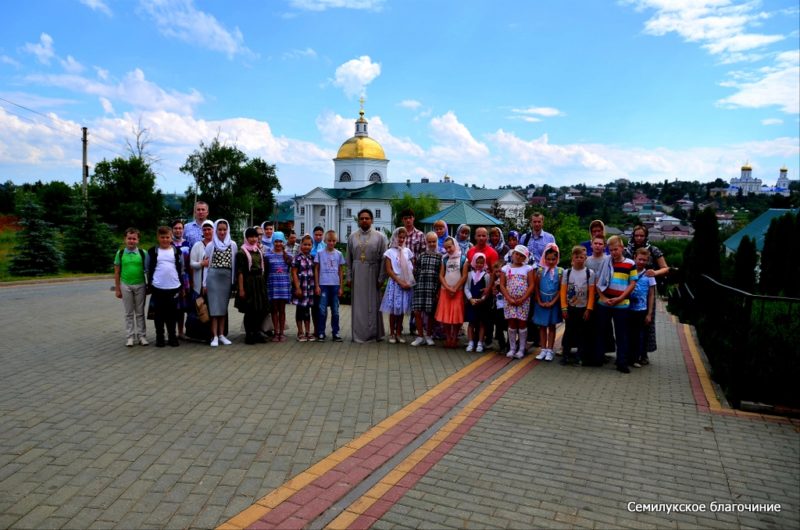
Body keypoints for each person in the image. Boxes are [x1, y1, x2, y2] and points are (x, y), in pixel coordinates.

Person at [595, 235, 638, 373]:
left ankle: (622, 362)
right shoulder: (605, 262)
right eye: (611, 250)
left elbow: (632, 283)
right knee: (601, 331)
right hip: (604, 303)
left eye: (616, 249)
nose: (614, 252)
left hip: (621, 305)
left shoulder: (630, 264)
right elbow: (597, 282)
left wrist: (620, 298)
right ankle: (598, 358)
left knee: (621, 334)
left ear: (622, 248)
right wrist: (602, 297)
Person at [624, 224, 669, 356]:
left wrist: (654, 272)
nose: (639, 238)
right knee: (629, 323)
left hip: (647, 291)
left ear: (646, 236)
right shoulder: (628, 250)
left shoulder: (653, 250)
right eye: (636, 235)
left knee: (646, 322)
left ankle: (643, 353)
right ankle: (629, 352)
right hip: (629, 290)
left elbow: (665, 268)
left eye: (641, 235)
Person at [346, 209, 388, 343]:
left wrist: (381, 277)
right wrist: (348, 276)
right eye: (362, 218)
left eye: (367, 218)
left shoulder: (380, 237)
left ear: (372, 220)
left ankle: (374, 334)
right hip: (357, 271)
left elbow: (384, 259)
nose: (364, 220)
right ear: (358, 221)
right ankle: (359, 334)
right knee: (359, 305)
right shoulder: (352, 236)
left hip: (373, 272)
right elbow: (348, 259)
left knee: (372, 303)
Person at [147, 226, 184, 347]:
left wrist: (181, 284)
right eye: (162, 237)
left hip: (173, 287)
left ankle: (172, 337)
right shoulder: (152, 251)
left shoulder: (176, 251)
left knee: (172, 314)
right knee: (159, 314)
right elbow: (147, 268)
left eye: (167, 237)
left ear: (171, 237)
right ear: (158, 238)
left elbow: (181, 268)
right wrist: (150, 283)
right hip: (158, 287)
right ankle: (160, 337)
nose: (165, 240)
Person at [203, 219, 237, 347]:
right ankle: (214, 336)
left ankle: (222, 334)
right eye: (219, 229)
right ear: (216, 230)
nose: (222, 232)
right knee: (214, 308)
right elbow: (206, 265)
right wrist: (204, 283)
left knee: (223, 308)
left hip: (227, 278)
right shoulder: (211, 245)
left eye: (224, 229)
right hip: (213, 277)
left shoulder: (232, 244)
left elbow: (234, 264)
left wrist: (234, 282)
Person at [560, 246, 596, 365]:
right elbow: (563, 291)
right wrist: (564, 307)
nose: (579, 259)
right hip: (570, 308)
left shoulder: (589, 273)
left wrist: (589, 309)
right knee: (568, 331)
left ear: (585, 258)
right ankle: (565, 354)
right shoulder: (567, 272)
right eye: (577, 257)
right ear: (572, 258)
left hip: (583, 308)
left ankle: (579, 356)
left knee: (582, 333)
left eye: (582, 257)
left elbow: (591, 293)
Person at [114, 227, 148, 347]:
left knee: (140, 312)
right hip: (126, 284)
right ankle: (130, 336)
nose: (131, 241)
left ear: (138, 240)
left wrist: (148, 286)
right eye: (129, 238)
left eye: (134, 238)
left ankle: (142, 336)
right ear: (125, 239)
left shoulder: (143, 253)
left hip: (140, 285)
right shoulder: (120, 253)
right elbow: (117, 272)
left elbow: (148, 271)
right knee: (128, 312)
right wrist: (117, 288)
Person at [500, 245, 535, 359]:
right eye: (517, 254)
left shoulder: (528, 269)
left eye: (522, 255)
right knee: (511, 323)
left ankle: (521, 348)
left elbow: (531, 285)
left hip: (523, 301)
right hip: (509, 301)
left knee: (522, 323)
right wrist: (509, 298)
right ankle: (512, 348)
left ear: (525, 257)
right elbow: (502, 285)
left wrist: (523, 298)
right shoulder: (505, 268)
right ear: (513, 254)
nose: (518, 257)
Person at [381, 227, 415, 344]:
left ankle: (399, 333)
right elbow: (389, 270)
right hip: (395, 282)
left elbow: (411, 267)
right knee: (393, 309)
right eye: (399, 237)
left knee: (401, 309)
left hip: (405, 282)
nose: (401, 239)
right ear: (395, 237)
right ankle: (392, 333)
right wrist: (399, 281)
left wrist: (408, 281)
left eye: (403, 237)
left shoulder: (407, 251)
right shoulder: (390, 252)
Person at [235, 228, 268, 345]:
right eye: (251, 237)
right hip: (249, 282)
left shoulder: (258, 250)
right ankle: (249, 334)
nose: (254, 239)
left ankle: (257, 332)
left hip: (259, 282)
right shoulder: (241, 252)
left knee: (261, 309)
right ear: (246, 238)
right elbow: (240, 272)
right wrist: (241, 289)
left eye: (255, 237)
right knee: (250, 310)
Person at [435, 237, 468, 348]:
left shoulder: (463, 259)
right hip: (446, 291)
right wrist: (448, 288)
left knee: (456, 317)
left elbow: (464, 276)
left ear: (455, 245)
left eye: (450, 247)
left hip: (457, 292)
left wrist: (455, 288)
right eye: (446, 248)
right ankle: (448, 337)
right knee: (446, 317)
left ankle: (455, 337)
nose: (448, 249)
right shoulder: (444, 259)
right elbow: (441, 275)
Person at [411, 232, 442, 347]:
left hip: (432, 288)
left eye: (434, 241)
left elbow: (441, 275)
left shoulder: (440, 257)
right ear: (426, 242)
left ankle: (428, 335)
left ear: (437, 242)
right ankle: (420, 336)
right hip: (420, 287)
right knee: (417, 312)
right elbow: (416, 270)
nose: (432, 243)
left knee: (429, 313)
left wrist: (438, 290)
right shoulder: (421, 255)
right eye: (429, 241)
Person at [533, 243, 563, 361]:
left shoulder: (560, 271)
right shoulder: (540, 271)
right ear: (544, 258)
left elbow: (561, 289)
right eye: (548, 259)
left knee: (551, 326)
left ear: (557, 258)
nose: (551, 261)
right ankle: (543, 348)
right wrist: (539, 300)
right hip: (541, 301)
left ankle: (550, 350)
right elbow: (536, 287)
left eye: (553, 259)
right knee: (542, 326)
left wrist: (553, 302)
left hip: (553, 302)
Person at [315, 230, 345, 342]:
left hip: (335, 285)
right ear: (325, 240)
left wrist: (341, 286)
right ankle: (321, 332)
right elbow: (316, 269)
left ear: (336, 241)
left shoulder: (339, 254)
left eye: (333, 241)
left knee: (335, 311)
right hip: (323, 285)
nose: (331, 243)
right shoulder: (320, 253)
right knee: (322, 310)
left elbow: (341, 271)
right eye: (329, 241)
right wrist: (317, 285)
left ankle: (336, 332)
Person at [628, 247, 656, 367]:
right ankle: (625, 357)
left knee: (638, 335)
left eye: (644, 260)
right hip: (628, 308)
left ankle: (636, 358)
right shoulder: (629, 271)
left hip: (641, 310)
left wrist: (649, 313)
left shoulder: (649, 275)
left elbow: (651, 294)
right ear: (635, 258)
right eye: (639, 259)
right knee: (627, 333)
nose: (641, 262)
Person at [265, 232, 292, 342]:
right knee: (274, 310)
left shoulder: (288, 256)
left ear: (283, 242)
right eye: (276, 241)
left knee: (282, 310)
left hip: (284, 286)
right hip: (272, 286)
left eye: (280, 241)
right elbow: (265, 272)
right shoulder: (267, 255)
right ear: (273, 242)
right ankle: (275, 332)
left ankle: (282, 332)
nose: (278, 243)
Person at [464, 253, 491, 353]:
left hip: (481, 303)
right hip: (472, 302)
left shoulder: (486, 275)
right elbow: (466, 288)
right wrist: (470, 299)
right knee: (471, 323)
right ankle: (471, 342)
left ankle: (480, 342)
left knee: (481, 324)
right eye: (477, 262)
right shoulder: (469, 274)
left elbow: (487, 290)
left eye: (481, 263)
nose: (479, 264)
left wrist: (482, 299)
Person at [291, 234, 316, 342]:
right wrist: (297, 288)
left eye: (309, 245)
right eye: (305, 244)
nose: (307, 247)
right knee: (300, 310)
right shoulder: (297, 258)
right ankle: (300, 332)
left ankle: (308, 331)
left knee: (307, 311)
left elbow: (315, 273)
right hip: (301, 288)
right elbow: (294, 273)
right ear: (301, 245)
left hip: (309, 289)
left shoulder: (312, 258)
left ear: (312, 246)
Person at [171, 219, 192, 339]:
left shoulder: (187, 244)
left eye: (180, 228)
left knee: (182, 307)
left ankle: (180, 332)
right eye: (176, 228)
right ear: (172, 230)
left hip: (185, 278)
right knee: (173, 307)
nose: (178, 230)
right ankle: (171, 331)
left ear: (183, 230)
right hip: (172, 278)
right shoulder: (169, 244)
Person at [489, 260, 508, 354]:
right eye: (496, 272)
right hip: (497, 306)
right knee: (499, 327)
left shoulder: (507, 280)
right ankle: (502, 345)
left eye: (500, 271)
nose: (498, 273)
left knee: (508, 327)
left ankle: (509, 345)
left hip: (506, 306)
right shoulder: (495, 281)